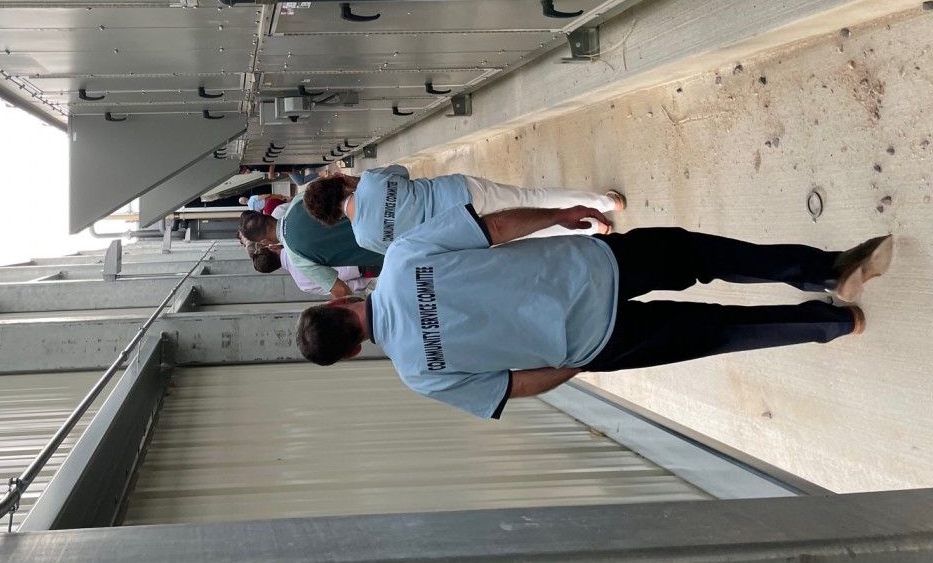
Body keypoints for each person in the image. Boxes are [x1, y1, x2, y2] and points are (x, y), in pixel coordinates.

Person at [295, 201, 889, 419]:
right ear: (340, 297)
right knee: (698, 255)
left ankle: (832, 322)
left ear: (351, 351)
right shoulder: (401, 259)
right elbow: (494, 228)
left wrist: (580, 362)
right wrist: (558, 215)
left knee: (718, 332)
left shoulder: (419, 376)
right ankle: (823, 271)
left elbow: (516, 387)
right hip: (592, 266)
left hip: (595, 342)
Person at [302, 164, 625, 253]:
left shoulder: (363, 239)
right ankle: (606, 202)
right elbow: (403, 172)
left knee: (529, 227)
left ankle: (595, 228)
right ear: (339, 183)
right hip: (461, 192)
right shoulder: (371, 180)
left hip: (462, 232)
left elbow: (405, 248)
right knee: (533, 197)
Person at [241, 201, 383, 298]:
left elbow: (342, 289)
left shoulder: (298, 261)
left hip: (375, 256)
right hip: (375, 214)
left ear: (266, 241)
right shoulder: (297, 202)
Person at [249, 244, 372, 296]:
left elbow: (344, 288)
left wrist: (365, 278)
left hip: (366, 271)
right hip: (359, 245)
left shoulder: (302, 284)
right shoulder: (295, 243)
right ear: (272, 247)